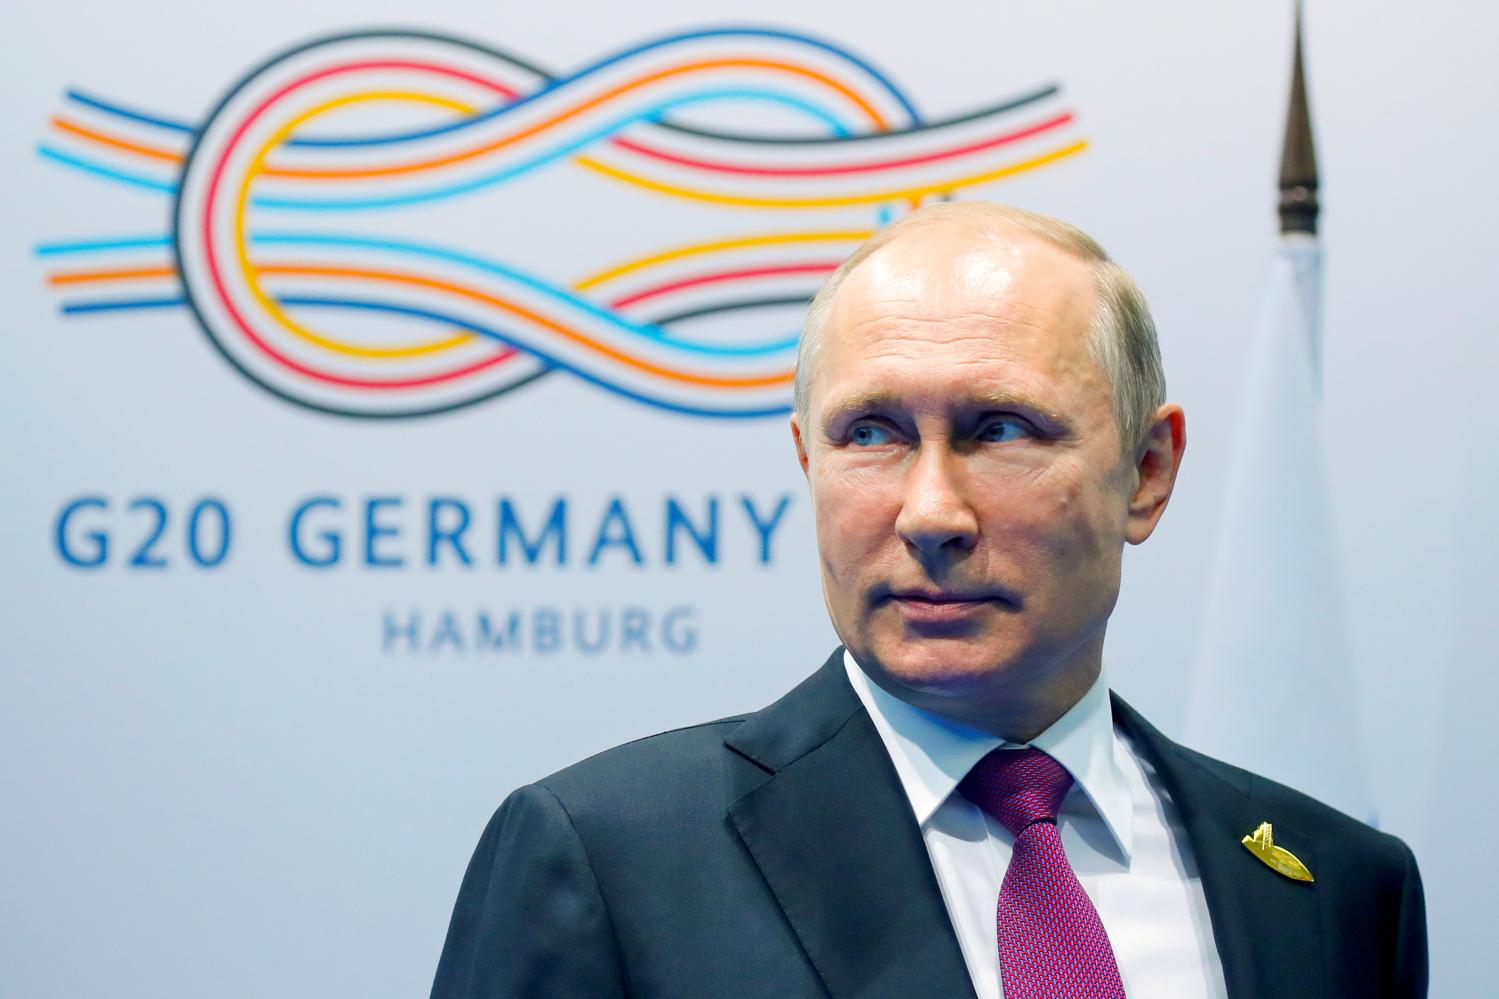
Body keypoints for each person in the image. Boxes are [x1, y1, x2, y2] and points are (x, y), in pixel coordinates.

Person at [430, 202, 1427, 998]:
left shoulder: (1333, 889)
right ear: (805, 461)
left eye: (998, 430)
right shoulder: (613, 862)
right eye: (870, 433)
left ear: (1146, 471)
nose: (930, 514)